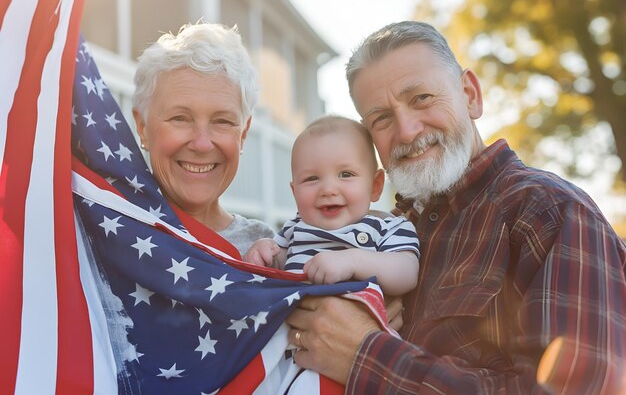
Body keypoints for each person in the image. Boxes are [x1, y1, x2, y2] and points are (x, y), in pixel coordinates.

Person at [285, 21, 626, 394]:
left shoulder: (548, 212)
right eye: (381, 118)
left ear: (470, 94)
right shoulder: (387, 231)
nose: (408, 130)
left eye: (422, 99)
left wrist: (365, 354)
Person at [132, 22, 274, 254]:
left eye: (222, 121)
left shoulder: (271, 251)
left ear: (243, 134)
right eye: (180, 118)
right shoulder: (107, 233)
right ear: (142, 127)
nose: (201, 143)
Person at [243, 116, 420, 295]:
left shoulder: (388, 228)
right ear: (295, 192)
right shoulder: (294, 229)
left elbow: (407, 273)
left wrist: (353, 261)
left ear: (375, 186)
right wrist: (267, 254)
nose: (328, 190)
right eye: (312, 178)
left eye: (345, 174)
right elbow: (281, 265)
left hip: (355, 319)